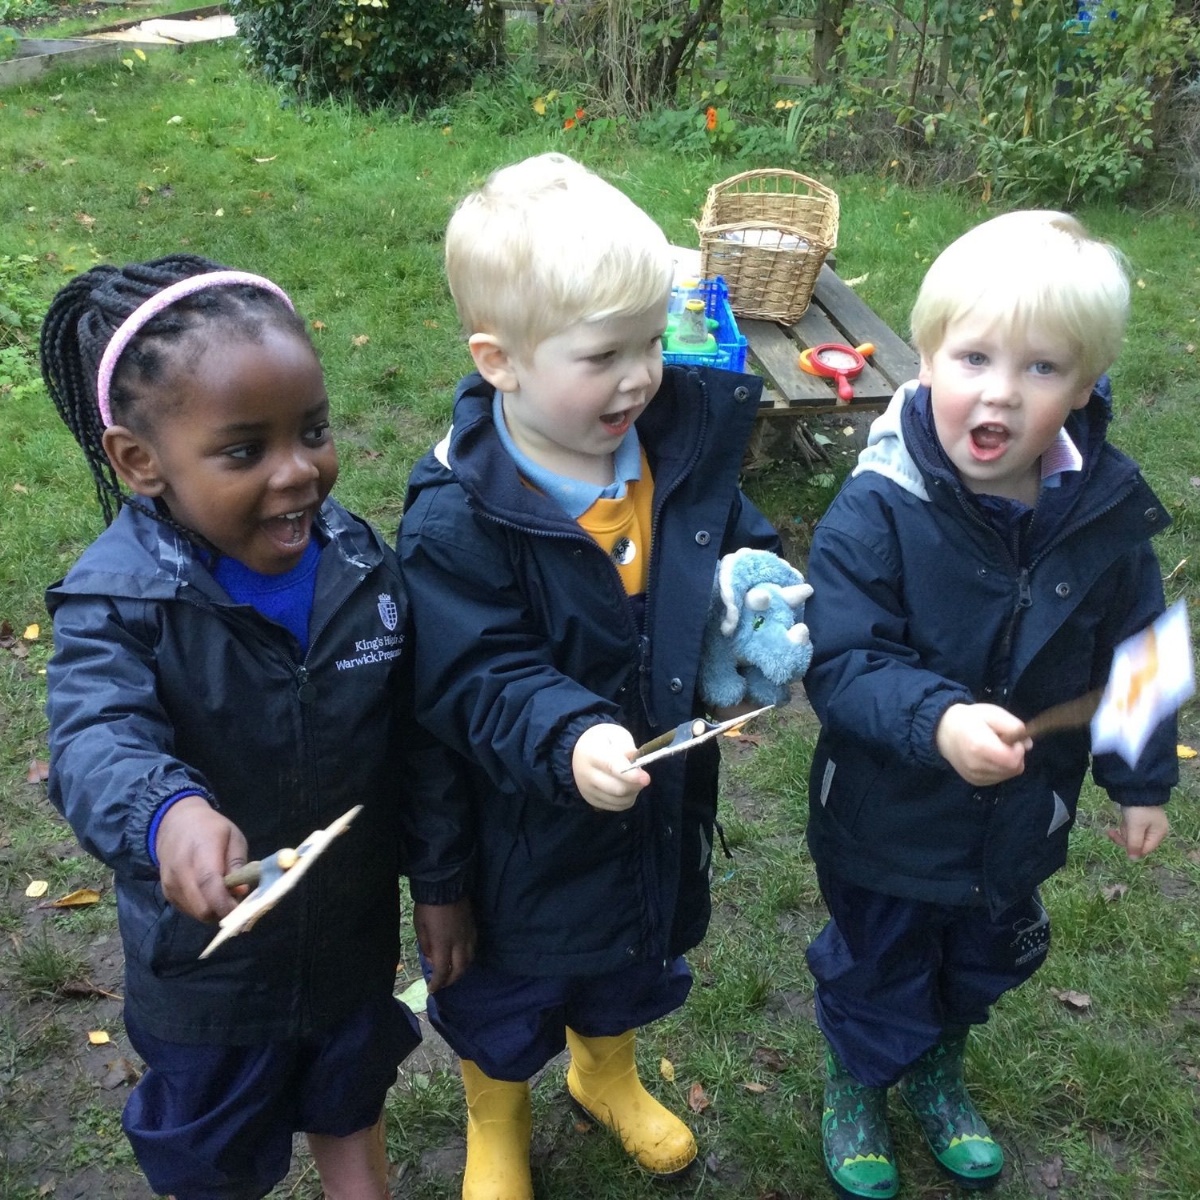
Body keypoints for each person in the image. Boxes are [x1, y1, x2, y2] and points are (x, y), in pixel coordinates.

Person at [396, 152, 783, 1199]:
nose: (640, 376)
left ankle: (603, 1072)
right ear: (500, 360)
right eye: (605, 353)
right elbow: (474, 670)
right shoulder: (457, 516)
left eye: (653, 341)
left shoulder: (672, 448)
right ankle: (496, 1113)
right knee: (510, 985)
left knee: (626, 960)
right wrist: (568, 735)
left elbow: (726, 545)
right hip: (520, 825)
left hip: (651, 793)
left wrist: (756, 598)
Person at [39, 255, 454, 1200]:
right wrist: (166, 810)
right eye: (244, 450)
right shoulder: (120, 599)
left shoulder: (360, 566)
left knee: (350, 1095)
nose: (298, 470)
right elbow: (96, 735)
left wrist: (441, 881)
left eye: (312, 431)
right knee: (216, 1159)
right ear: (140, 462)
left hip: (349, 943)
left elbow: (418, 744)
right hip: (208, 983)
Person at [801, 210, 1177, 1200]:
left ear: (1086, 387)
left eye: (1043, 369)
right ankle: (859, 1081)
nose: (1001, 391)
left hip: (1018, 814)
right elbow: (842, 660)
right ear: (922, 358)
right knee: (877, 959)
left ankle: (937, 1065)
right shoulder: (879, 506)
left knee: (981, 953)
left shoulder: (1102, 516)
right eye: (973, 356)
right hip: (884, 818)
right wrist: (938, 720)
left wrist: (1141, 783)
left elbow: (1140, 656)